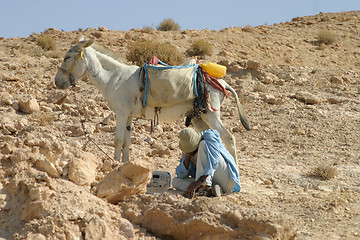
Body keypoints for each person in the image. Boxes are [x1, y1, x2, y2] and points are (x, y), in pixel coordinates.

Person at [173, 128, 241, 198]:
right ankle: (208, 191)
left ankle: (204, 186)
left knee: (203, 145)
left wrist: (200, 181)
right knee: (175, 181)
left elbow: (213, 160)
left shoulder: (209, 136)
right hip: (212, 181)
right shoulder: (187, 151)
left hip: (227, 180)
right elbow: (181, 175)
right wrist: (187, 156)